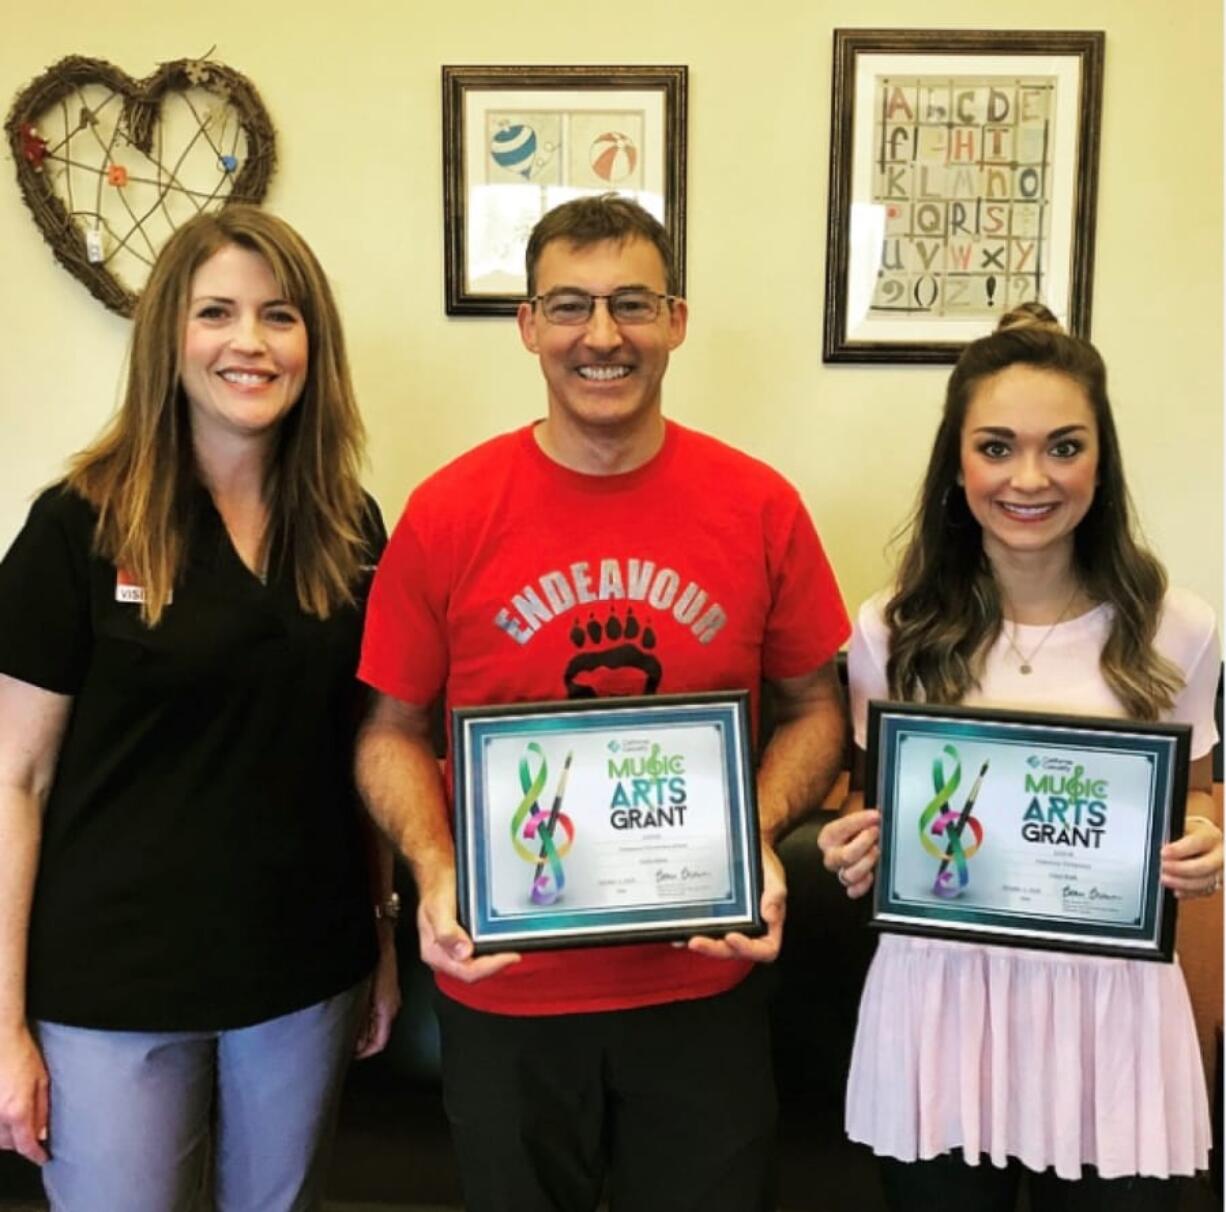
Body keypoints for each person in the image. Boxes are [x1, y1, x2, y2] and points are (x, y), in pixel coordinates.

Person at [356, 193, 849, 1212]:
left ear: (675, 317)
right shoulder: (446, 513)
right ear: (528, 326)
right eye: (569, 305)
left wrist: (746, 833)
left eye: (631, 302)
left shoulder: (760, 506)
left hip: (700, 981)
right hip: (507, 981)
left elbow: (815, 710)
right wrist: (436, 865)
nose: (602, 335)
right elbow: (387, 734)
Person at [0, 205, 401, 1212]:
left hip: (303, 971)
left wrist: (383, 940)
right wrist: (2, 1021)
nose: (250, 343)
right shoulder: (76, 527)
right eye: (215, 312)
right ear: (167, 338)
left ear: (314, 343)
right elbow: (13, 779)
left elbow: (367, 750)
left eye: (279, 316)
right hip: (113, 986)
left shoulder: (350, 530)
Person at [818, 302, 1222, 1211]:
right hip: (939, 1008)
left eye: (1064, 447)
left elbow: (1191, 804)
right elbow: (872, 807)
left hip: (1111, 1013)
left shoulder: (1179, 629)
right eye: (996, 447)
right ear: (956, 464)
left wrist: (1203, 848)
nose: (1029, 478)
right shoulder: (892, 626)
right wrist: (852, 845)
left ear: (1101, 459)